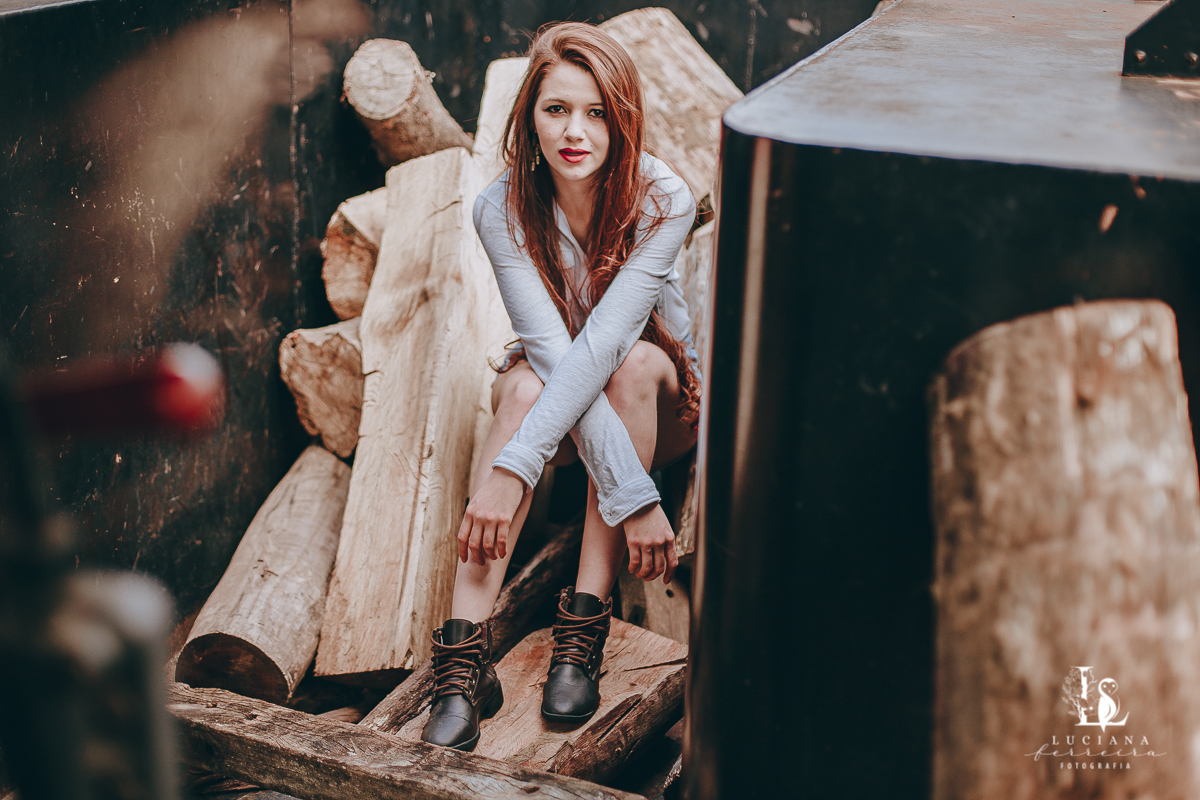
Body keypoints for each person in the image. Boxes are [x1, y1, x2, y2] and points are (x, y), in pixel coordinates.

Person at [420, 21, 701, 751]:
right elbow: (551, 351)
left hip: (660, 408)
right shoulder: (501, 209)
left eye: (597, 111)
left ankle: (581, 627)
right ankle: (462, 661)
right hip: (566, 405)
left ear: (623, 116)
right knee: (519, 388)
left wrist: (635, 493)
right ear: (530, 117)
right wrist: (515, 468)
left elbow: (606, 346)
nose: (575, 130)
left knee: (629, 366)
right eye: (556, 110)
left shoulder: (662, 198)